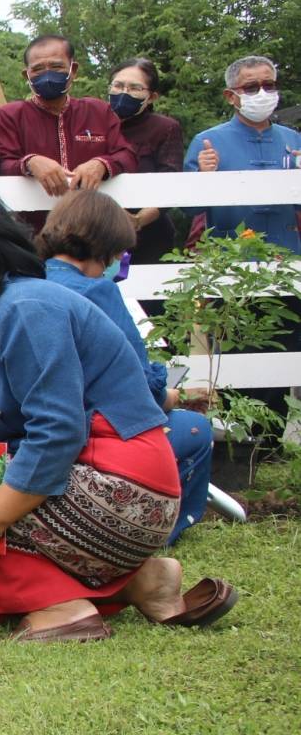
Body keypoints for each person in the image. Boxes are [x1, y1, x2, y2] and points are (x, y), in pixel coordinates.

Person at [0, 183, 237, 640]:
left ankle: (60, 606)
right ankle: (141, 583)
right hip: (97, 483)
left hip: (123, 485)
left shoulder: (29, 307)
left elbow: (58, 434)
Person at [37, 190, 214, 544]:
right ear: (104, 246)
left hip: (31, 436)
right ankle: (155, 532)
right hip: (89, 438)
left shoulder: (25, 283)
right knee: (195, 429)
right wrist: (170, 394)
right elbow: (140, 383)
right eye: (119, 252)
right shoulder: (97, 291)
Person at [0, 35, 137, 196]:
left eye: (56, 66)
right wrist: (30, 162)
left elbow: (127, 156)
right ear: (27, 75)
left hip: (94, 215)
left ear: (73, 70)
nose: (47, 75)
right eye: (38, 69)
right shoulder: (10, 115)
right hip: (32, 219)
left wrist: (101, 164)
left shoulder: (99, 111)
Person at [185, 55, 301, 253]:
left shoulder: (293, 139)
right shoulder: (207, 142)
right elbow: (188, 209)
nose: (262, 93)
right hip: (230, 257)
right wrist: (203, 177)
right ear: (230, 96)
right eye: (251, 88)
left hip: (287, 254)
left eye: (269, 85)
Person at [107, 59, 184, 264]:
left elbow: (170, 183)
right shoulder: (96, 123)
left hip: (149, 232)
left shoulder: (165, 128)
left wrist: (137, 221)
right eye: (118, 85)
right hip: (98, 230)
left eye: (135, 88)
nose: (124, 93)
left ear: (152, 96)